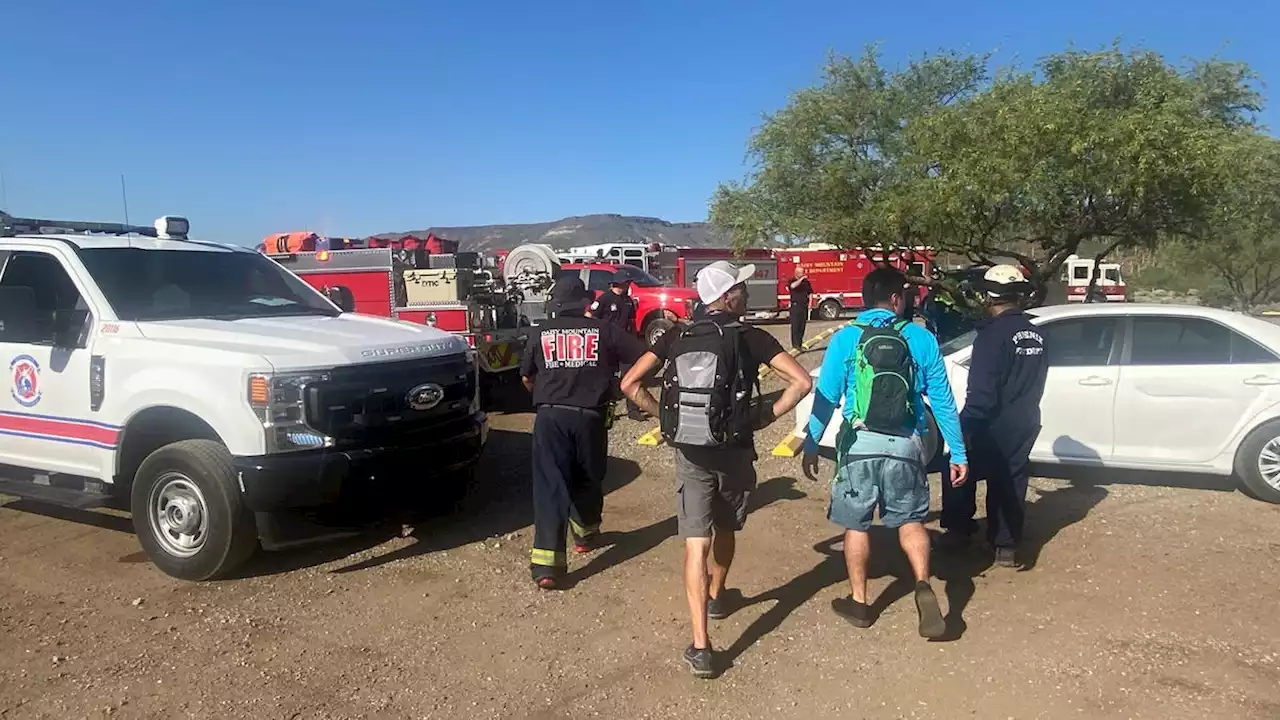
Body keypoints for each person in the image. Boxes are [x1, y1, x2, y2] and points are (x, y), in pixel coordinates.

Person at [621, 260, 812, 679]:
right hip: (735, 450)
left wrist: (664, 421)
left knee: (695, 544)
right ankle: (718, 593)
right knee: (725, 529)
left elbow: (630, 385)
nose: (745, 292)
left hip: (689, 451)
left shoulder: (677, 334)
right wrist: (762, 417)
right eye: (740, 287)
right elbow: (801, 382)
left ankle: (702, 646)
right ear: (727, 297)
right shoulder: (749, 337)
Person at [802, 266, 968, 639]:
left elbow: (825, 397)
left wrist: (811, 442)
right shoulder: (920, 338)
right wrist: (958, 451)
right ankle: (923, 583)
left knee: (857, 525)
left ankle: (860, 602)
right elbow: (942, 401)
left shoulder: (846, 338)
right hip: (906, 444)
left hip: (860, 444)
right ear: (896, 299)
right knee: (911, 521)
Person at [520, 276, 646, 590]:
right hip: (590, 417)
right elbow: (646, 355)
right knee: (589, 476)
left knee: (552, 485)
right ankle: (586, 534)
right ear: (585, 302)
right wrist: (621, 385)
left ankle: (547, 567)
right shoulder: (604, 330)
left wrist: (548, 392)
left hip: (550, 416)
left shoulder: (541, 332)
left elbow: (526, 377)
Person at [938, 265, 1048, 568]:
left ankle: (959, 531)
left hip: (990, 421)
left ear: (988, 295)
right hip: (1025, 418)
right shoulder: (1037, 334)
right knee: (1011, 479)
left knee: (959, 469)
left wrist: (965, 424)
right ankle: (1006, 546)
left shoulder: (991, 335)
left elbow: (982, 390)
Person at [589, 278, 645, 420]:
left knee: (631, 376)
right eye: (618, 284)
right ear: (612, 284)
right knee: (606, 378)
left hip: (624, 343)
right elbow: (590, 316)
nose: (621, 287)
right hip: (607, 343)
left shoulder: (627, 300)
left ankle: (633, 410)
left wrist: (634, 340)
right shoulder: (604, 299)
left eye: (624, 284)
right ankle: (607, 410)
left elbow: (631, 321)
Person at [788, 266, 813, 350]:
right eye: (802, 272)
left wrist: (810, 304)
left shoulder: (806, 282)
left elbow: (810, 293)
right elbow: (792, 286)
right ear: (797, 273)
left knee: (802, 326)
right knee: (796, 326)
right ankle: (795, 345)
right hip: (795, 306)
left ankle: (800, 343)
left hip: (804, 307)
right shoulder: (792, 280)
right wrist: (801, 279)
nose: (804, 274)